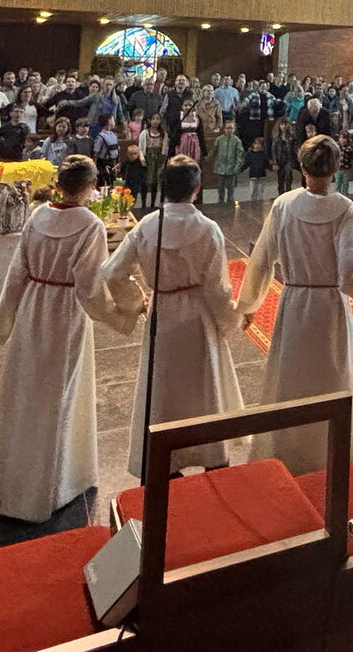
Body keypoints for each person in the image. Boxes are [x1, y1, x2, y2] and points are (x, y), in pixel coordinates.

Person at [0, 156, 130, 523]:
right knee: (61, 393)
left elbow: (16, 272)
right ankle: (55, 484)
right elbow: (90, 289)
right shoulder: (90, 225)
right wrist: (121, 315)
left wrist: (0, 324)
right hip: (66, 312)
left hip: (34, 305)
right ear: (90, 187)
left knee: (27, 389)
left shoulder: (38, 215)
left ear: (59, 184)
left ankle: (15, 481)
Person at [234, 135, 353, 472]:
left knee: (292, 377)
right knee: (331, 377)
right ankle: (330, 451)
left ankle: (287, 451)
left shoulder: (284, 205)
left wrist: (248, 305)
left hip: (295, 303)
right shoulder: (346, 210)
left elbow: (261, 261)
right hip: (330, 306)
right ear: (337, 167)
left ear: (302, 167)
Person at [99, 156, 243, 481]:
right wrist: (230, 320)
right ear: (197, 188)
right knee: (203, 388)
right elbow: (217, 287)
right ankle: (211, 455)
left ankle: (168, 460)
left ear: (163, 187)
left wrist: (137, 301)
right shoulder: (208, 229)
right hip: (198, 316)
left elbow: (111, 273)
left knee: (163, 387)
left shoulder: (146, 226)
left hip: (162, 311)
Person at [210, 119, 243, 205]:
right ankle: (220, 201)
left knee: (230, 187)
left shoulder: (237, 141)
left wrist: (237, 166)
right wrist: (208, 158)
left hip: (231, 168)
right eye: (228, 128)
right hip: (220, 167)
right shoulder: (219, 140)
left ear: (234, 129)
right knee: (220, 186)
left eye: (231, 128)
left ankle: (230, 202)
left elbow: (239, 155)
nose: (229, 130)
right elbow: (214, 150)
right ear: (224, 129)